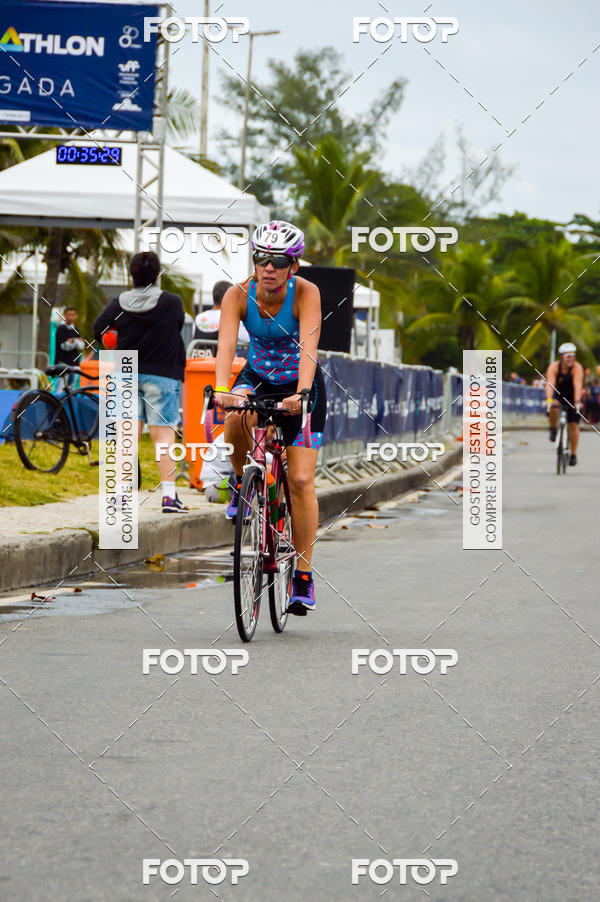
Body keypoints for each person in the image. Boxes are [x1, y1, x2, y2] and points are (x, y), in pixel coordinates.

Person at [214, 220, 326, 614]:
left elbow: (309, 346)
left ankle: (304, 575)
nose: (268, 268)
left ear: (292, 266)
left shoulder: (306, 293)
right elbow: (226, 343)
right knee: (233, 417)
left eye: (278, 261)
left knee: (299, 480)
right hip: (258, 379)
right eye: (261, 258)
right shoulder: (237, 294)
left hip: (301, 385)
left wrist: (302, 394)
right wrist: (222, 389)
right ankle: (241, 480)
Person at [93, 251, 188, 513]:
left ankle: (122, 496)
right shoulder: (172, 302)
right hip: (163, 373)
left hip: (125, 371)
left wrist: (114, 339)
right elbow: (178, 326)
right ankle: (169, 497)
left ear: (131, 275)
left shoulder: (118, 303)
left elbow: (98, 328)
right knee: (164, 438)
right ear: (158, 275)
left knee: (126, 435)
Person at [545, 342, 584, 465]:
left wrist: (577, 402)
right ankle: (553, 428)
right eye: (568, 356)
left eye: (573, 355)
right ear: (561, 356)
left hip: (573, 395)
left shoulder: (577, 368)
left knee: (573, 425)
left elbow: (578, 385)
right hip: (559, 393)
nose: (571, 358)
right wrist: (549, 401)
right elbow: (550, 384)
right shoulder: (554, 367)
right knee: (553, 405)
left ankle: (573, 454)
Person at [194, 280, 249, 353]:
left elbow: (193, 338)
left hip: (200, 362)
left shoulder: (199, 317)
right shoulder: (230, 316)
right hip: (221, 362)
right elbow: (248, 338)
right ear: (229, 297)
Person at [54, 307, 85, 389]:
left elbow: (81, 345)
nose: (71, 317)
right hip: (62, 363)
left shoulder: (76, 329)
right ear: (65, 315)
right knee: (61, 387)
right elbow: (65, 346)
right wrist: (75, 340)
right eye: (69, 315)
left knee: (72, 388)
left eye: (73, 315)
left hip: (74, 364)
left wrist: (72, 340)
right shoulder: (60, 329)